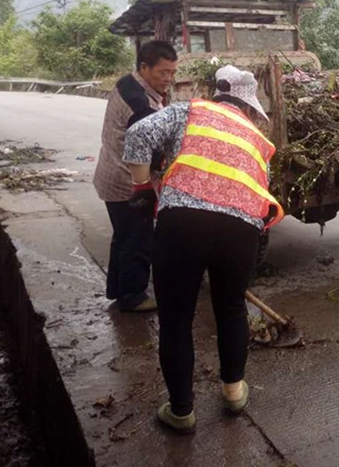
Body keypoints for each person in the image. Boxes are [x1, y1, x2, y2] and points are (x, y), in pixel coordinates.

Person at [123, 65, 284, 434]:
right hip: (241, 231)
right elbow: (260, 190)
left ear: (216, 93)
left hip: (182, 223)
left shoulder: (188, 111)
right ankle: (233, 392)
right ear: (248, 106)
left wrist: (142, 185)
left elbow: (138, 134)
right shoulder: (257, 139)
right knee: (231, 309)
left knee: (176, 318)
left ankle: (181, 411)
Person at [93, 39, 178, 312]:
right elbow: (153, 155)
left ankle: (118, 289)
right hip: (128, 184)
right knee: (138, 239)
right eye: (162, 72)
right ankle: (133, 296)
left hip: (111, 174)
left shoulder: (128, 83)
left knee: (123, 236)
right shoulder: (139, 105)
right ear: (144, 67)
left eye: (172, 72)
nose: (168, 79)